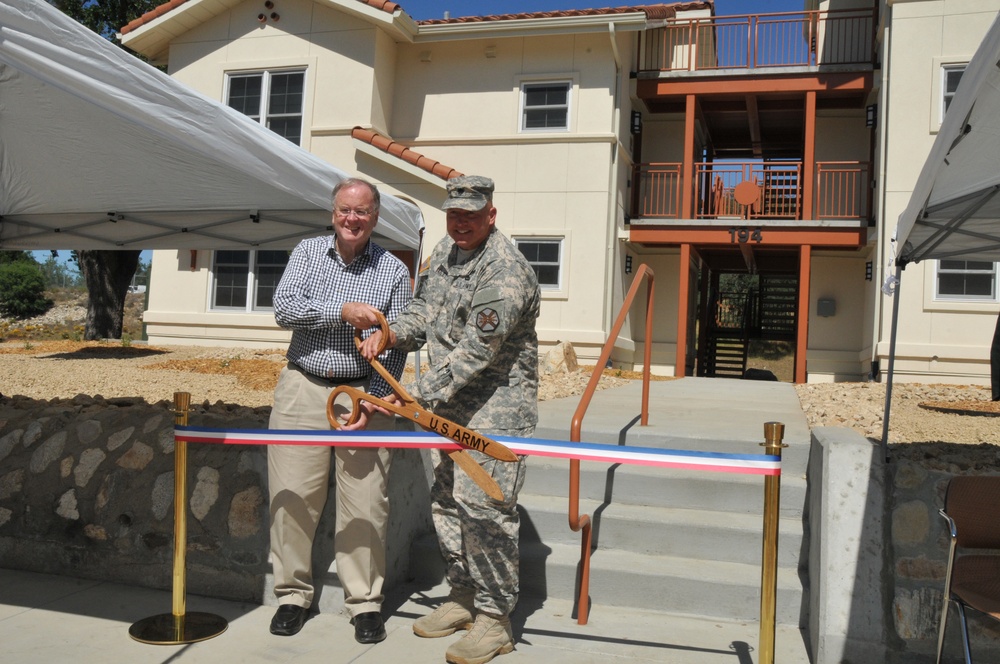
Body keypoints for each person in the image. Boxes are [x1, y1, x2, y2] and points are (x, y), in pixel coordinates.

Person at [359, 175, 540, 664]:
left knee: (485, 512)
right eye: (454, 214)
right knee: (447, 504)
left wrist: (413, 395)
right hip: (447, 412)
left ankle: (495, 619)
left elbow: (477, 350)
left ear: (491, 215)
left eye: (471, 214)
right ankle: (462, 597)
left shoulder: (505, 270)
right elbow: (423, 312)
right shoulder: (444, 252)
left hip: (494, 414)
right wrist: (391, 334)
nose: (460, 223)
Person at [266, 177, 412, 644]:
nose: (353, 219)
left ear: (375, 217)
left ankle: (365, 603)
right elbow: (284, 308)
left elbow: (397, 341)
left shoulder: (392, 270)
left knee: (367, 501)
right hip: (303, 386)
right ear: (333, 213)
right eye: (345, 210)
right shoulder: (307, 253)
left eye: (363, 211)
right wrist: (340, 311)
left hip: (364, 393)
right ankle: (291, 596)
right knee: (291, 495)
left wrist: (370, 398)